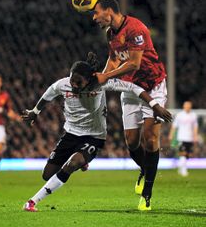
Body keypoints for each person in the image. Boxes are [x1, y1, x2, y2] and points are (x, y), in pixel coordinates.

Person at [22, 53, 172, 212]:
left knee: (72, 163)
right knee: (47, 175)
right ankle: (83, 161)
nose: (74, 85)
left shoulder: (101, 84)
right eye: (72, 80)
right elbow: (47, 95)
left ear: (88, 80)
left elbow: (133, 88)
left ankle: (33, 201)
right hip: (71, 134)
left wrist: (155, 104)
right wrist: (35, 111)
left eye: (78, 82)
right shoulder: (62, 84)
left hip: (94, 136)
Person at [92, 0, 167, 210]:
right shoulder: (110, 33)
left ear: (109, 11)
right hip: (130, 89)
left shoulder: (136, 28)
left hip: (153, 85)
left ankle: (147, 194)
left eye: (96, 12)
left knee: (151, 139)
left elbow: (133, 63)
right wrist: (101, 77)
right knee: (132, 142)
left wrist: (108, 77)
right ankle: (146, 170)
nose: (94, 17)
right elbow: (115, 59)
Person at [168, 101, 198, 177]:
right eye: (186, 105)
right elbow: (174, 126)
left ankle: (180, 167)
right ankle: (184, 170)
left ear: (190, 107)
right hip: (181, 137)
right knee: (183, 153)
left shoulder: (193, 115)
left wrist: (195, 136)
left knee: (187, 155)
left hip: (190, 137)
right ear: (184, 106)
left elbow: (195, 127)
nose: (187, 107)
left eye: (189, 106)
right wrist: (171, 135)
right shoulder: (180, 115)